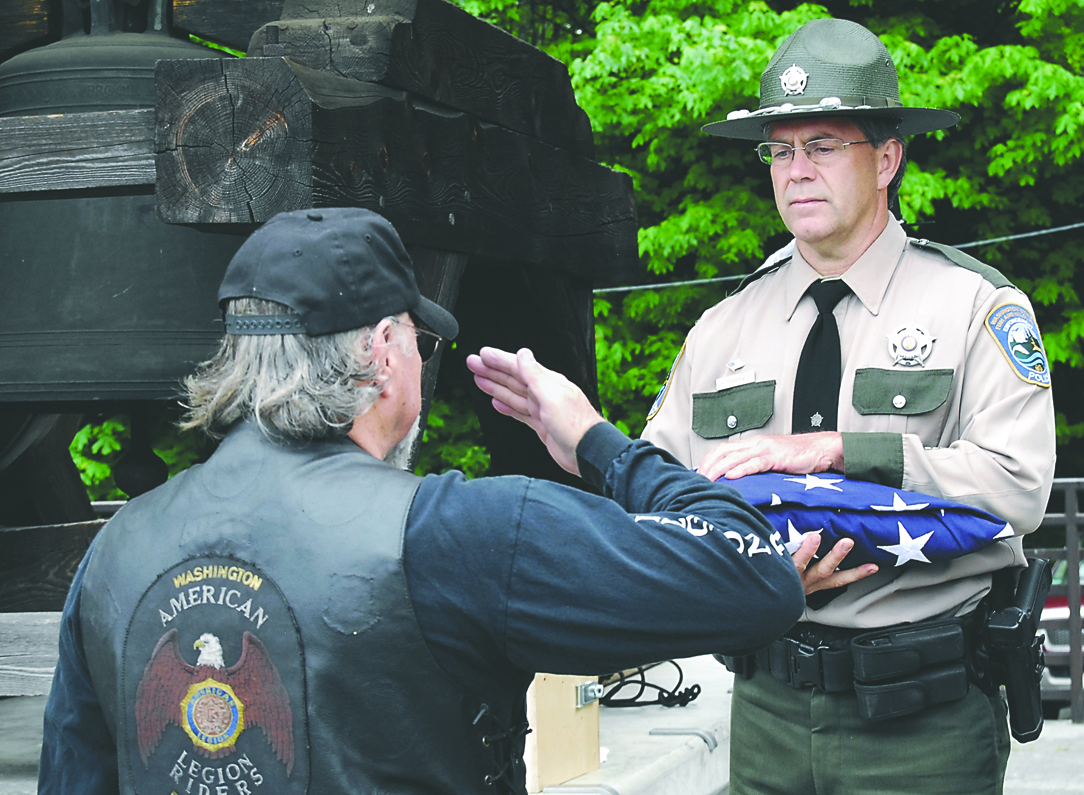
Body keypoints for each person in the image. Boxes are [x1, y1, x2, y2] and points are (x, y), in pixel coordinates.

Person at [38, 206, 805, 795]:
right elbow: (755, 580)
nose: (417, 363)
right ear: (380, 350)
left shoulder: (114, 548)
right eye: (419, 341)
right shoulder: (457, 531)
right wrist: (597, 441)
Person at [641, 17, 1056, 795]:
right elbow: (660, 492)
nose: (796, 170)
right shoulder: (722, 326)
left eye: (824, 145)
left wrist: (841, 450)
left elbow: (1018, 488)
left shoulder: (977, 306)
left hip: (921, 721)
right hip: (764, 708)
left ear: (887, 157)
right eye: (780, 150)